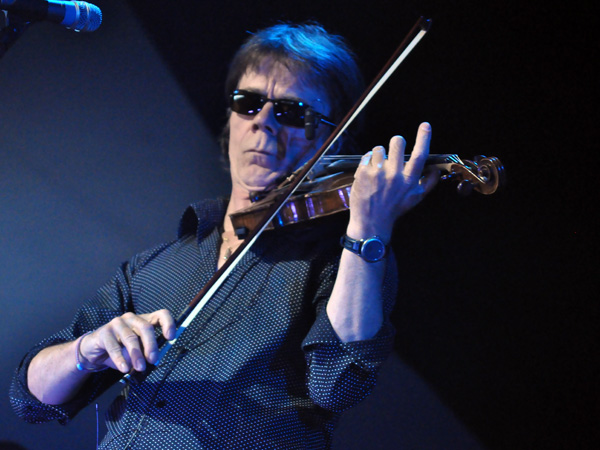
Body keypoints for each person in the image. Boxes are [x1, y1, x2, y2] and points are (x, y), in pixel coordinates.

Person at [10, 22, 438, 449]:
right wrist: (85, 350)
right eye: (248, 103)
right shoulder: (157, 265)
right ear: (230, 120)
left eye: (292, 112)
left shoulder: (344, 259)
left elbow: (338, 385)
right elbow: (31, 397)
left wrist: (367, 227)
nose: (263, 123)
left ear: (333, 138)